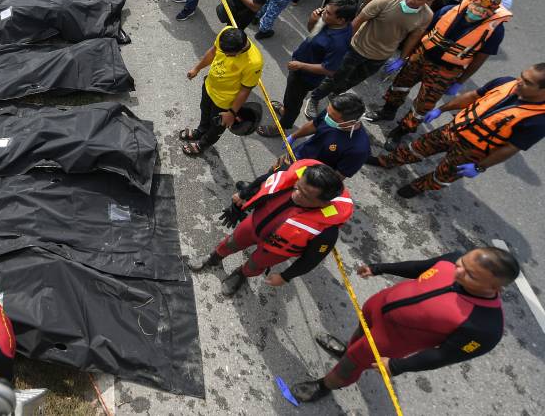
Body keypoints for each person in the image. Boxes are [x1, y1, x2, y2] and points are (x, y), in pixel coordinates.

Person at [292, 247, 519, 403]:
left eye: (470, 274)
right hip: (375, 310)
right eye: (462, 263)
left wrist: (399, 366)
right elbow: (422, 267)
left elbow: (444, 356)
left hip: (387, 342)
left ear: (495, 287)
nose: (457, 271)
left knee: (351, 364)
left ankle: (324, 386)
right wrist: (379, 268)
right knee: (357, 339)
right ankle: (347, 351)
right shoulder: (455, 260)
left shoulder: (485, 327)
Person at [368, 64, 545, 198]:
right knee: (417, 148)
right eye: (521, 76)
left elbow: (510, 148)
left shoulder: (538, 120)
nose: (519, 82)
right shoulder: (506, 82)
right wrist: (441, 109)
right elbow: (473, 96)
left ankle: (419, 186)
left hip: (474, 150)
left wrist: (480, 167)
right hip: (454, 129)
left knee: (445, 174)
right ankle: (387, 161)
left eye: (527, 82)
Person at [367, 0, 510, 148]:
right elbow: (425, 32)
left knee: (423, 105)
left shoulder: (495, 31)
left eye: (484, 11)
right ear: (471, 1)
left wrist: (460, 82)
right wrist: (406, 57)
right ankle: (387, 111)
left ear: (492, 12)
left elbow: (479, 59)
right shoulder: (449, 10)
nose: (477, 11)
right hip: (422, 56)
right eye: (475, 5)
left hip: (446, 71)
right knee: (399, 86)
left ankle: (400, 131)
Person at [188, 160, 353, 297]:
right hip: (253, 224)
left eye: (305, 195)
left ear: (325, 203)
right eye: (298, 187)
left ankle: (241, 274)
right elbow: (266, 179)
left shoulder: (327, 232)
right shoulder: (292, 174)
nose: (296, 194)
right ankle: (213, 258)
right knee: (231, 242)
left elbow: (311, 260)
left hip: (274, 251)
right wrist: (243, 195)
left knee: (255, 265)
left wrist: (285, 276)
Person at [306, 0, 439, 118]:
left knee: (354, 79)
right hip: (357, 48)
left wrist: (402, 58)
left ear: (429, 0)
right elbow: (359, 20)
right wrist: (342, 43)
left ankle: (335, 95)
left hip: (380, 56)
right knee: (335, 76)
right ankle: (315, 98)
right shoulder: (386, 1)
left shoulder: (426, 16)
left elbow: (413, 37)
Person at [258, 0, 356, 133]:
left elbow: (329, 69)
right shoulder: (328, 20)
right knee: (290, 97)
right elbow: (312, 32)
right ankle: (284, 109)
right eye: (325, 9)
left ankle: (282, 126)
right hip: (299, 67)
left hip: (305, 77)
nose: (323, 13)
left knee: (293, 101)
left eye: (328, 13)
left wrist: (300, 65)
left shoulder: (338, 43)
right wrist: (312, 19)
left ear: (341, 20)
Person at [180, 26, 263, 155]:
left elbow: (245, 90)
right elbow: (213, 52)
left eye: (228, 54)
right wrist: (197, 68)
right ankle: (200, 131)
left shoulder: (254, 62)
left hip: (225, 102)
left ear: (240, 50)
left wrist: (231, 112)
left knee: (216, 127)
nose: (225, 56)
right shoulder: (226, 32)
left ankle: (203, 144)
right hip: (209, 87)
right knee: (204, 111)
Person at [268, 92, 370, 180]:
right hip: (294, 157)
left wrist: (305, 183)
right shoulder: (331, 112)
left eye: (331, 117)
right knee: (271, 175)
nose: (326, 117)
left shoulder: (359, 150)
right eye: (327, 112)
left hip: (307, 176)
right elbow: (314, 125)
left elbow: (337, 177)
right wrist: (294, 136)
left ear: (350, 122)